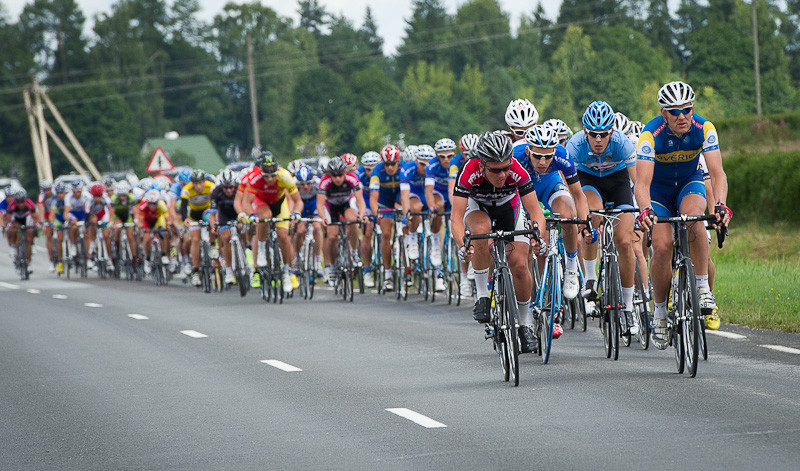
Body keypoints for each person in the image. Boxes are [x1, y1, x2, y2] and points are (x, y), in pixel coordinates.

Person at [635, 81, 731, 347]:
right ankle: (660, 314)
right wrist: (645, 211)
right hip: (659, 192)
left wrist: (721, 204)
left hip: (689, 184)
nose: (682, 116)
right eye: (674, 111)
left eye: (687, 110)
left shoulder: (705, 128)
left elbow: (717, 173)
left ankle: (702, 288)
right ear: (663, 113)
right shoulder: (649, 135)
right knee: (663, 247)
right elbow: (641, 184)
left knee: (694, 219)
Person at [451, 132, 546, 354]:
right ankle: (483, 295)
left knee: (521, 266)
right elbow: (456, 217)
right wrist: (462, 245)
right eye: (495, 170)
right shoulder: (469, 170)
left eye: (505, 168)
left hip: (508, 206)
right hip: (479, 207)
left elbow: (535, 211)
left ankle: (525, 324)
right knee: (480, 231)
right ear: (482, 164)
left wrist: (537, 236)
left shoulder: (517, 170)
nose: (502, 174)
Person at [567, 100, 639, 335]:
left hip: (617, 181)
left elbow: (638, 183)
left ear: (612, 132)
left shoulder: (623, 144)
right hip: (588, 181)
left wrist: (643, 211)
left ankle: (627, 307)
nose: (598, 140)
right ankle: (590, 279)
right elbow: (569, 188)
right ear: (586, 132)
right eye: (594, 134)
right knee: (594, 216)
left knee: (625, 241)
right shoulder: (575, 145)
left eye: (604, 134)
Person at [517, 125, 591, 303]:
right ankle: (542, 295)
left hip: (550, 184)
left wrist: (585, 223)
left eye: (547, 156)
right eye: (537, 156)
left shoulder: (562, 155)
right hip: (523, 188)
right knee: (536, 237)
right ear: (528, 151)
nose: (542, 162)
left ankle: (571, 268)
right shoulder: (515, 156)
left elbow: (579, 195)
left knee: (567, 215)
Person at [242, 151, 302, 294]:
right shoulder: (255, 178)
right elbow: (247, 202)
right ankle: (261, 249)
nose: (270, 179)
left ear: (277, 171)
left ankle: (287, 272)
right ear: (261, 172)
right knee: (265, 215)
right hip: (262, 202)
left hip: (279, 203)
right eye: (266, 176)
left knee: (283, 236)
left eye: (272, 175)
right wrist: (251, 215)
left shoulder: (284, 176)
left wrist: (296, 213)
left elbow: (297, 201)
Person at [317, 156, 367, 283]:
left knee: (352, 219)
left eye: (340, 175)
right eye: (334, 175)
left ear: (345, 172)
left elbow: (360, 201)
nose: (338, 178)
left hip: (346, 204)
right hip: (330, 207)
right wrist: (323, 217)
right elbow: (320, 204)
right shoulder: (324, 181)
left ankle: (355, 253)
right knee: (332, 236)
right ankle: (332, 267)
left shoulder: (352, 179)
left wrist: (361, 215)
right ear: (330, 175)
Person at [369, 145, 403, 291]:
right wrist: (377, 213)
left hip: (400, 199)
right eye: (387, 164)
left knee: (407, 227)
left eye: (393, 164)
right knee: (386, 233)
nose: (390, 167)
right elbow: (373, 197)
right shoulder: (377, 171)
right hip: (384, 202)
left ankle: (407, 267)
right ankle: (388, 274)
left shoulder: (404, 169)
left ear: (398, 162)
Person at [179, 170, 215, 286]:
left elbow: (215, 204)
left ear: (204, 181)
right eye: (196, 183)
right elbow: (183, 207)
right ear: (192, 183)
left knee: (211, 220)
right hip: (194, 215)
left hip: (206, 212)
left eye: (200, 183)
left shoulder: (211, 187)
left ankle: (213, 245)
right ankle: (195, 270)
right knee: (195, 241)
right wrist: (185, 219)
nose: (198, 186)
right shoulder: (187, 190)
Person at [209, 169, 240, 285]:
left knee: (244, 230)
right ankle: (229, 269)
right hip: (224, 215)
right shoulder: (216, 192)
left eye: (231, 187)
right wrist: (214, 227)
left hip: (237, 213)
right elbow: (212, 215)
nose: (229, 190)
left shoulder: (239, 189)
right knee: (226, 238)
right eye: (226, 188)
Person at [356, 151, 381, 288]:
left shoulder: (381, 172)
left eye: (373, 168)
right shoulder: (359, 175)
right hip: (365, 202)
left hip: (380, 201)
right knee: (368, 231)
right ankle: (367, 271)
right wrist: (362, 213)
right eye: (367, 169)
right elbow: (357, 197)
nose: (371, 172)